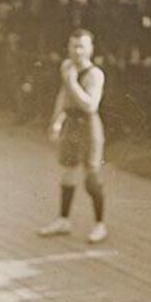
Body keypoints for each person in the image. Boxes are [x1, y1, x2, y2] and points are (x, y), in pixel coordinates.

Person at [38, 29, 108, 244]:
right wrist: (56, 121)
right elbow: (63, 95)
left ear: (90, 49)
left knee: (91, 177)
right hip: (71, 123)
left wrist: (72, 82)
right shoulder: (67, 66)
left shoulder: (95, 74)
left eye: (82, 47)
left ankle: (99, 224)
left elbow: (90, 105)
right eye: (73, 46)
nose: (77, 51)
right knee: (68, 172)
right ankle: (63, 219)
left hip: (88, 125)